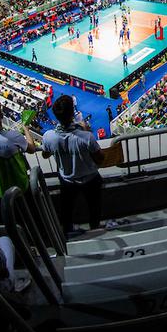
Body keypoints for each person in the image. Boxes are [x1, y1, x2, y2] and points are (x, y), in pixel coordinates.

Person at [42, 95, 104, 236]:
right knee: (94, 206)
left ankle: (67, 232)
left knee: (66, 208)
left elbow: (45, 154)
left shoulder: (49, 136)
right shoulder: (86, 137)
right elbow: (100, 158)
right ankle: (95, 228)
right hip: (91, 178)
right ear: (72, 114)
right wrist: (86, 130)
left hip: (67, 180)